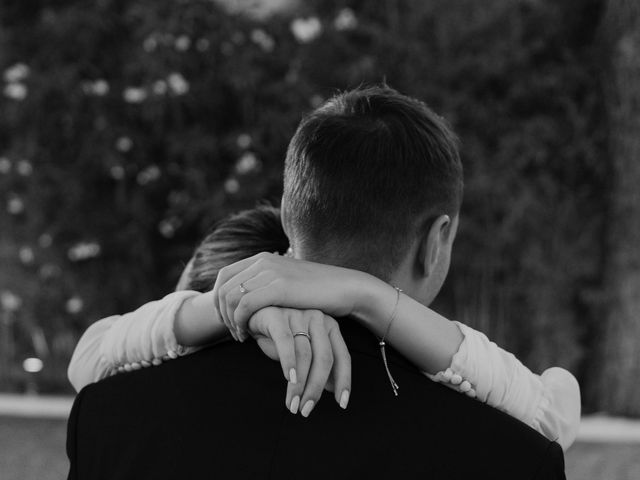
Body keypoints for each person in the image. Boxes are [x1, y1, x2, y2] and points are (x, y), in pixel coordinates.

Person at [67, 86, 570, 479]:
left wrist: (229, 307)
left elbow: (95, 353)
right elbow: (550, 408)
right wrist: (367, 297)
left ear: (288, 215)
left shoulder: (111, 416)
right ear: (435, 241)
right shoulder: (511, 457)